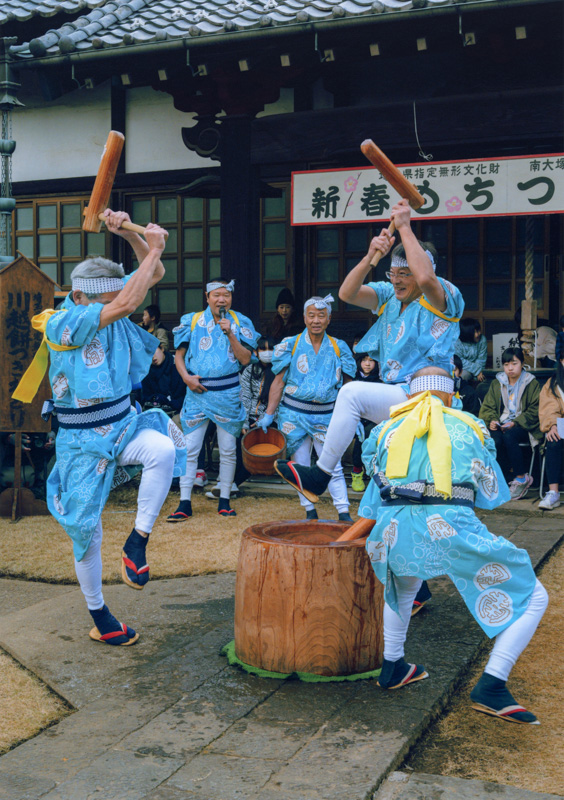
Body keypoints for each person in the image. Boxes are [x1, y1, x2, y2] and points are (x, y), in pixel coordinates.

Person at [12, 210, 187, 646]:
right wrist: (154, 245)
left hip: (123, 422)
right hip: (80, 439)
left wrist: (131, 236)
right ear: (83, 294)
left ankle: (137, 542)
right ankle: (100, 614)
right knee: (86, 531)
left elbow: (152, 274)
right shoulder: (62, 321)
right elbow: (128, 299)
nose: (122, 299)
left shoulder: (108, 306)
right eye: (111, 294)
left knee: (163, 450)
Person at [360, 367, 548, 723]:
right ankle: (492, 685)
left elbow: (372, 492)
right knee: (536, 595)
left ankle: (392, 666)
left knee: (402, 583)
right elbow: (490, 491)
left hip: (391, 527)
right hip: (448, 523)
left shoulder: (385, 429)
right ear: (450, 395)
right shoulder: (468, 425)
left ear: (410, 395)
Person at [274, 198, 464, 503]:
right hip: (397, 393)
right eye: (394, 273)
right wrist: (370, 256)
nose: (398, 280)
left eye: (406, 274)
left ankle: (320, 474)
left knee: (351, 395)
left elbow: (426, 277)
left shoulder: (442, 294)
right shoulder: (389, 294)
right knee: (382, 474)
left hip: (428, 394)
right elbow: (346, 292)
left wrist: (404, 227)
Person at [167, 279, 259, 520]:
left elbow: (246, 359)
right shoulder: (192, 320)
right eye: (216, 295)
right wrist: (186, 378)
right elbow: (179, 355)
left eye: (226, 295)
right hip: (196, 393)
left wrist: (230, 334)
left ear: (231, 298)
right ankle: (184, 502)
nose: (221, 300)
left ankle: (225, 499)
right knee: (190, 449)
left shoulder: (240, 322)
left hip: (228, 394)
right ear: (207, 297)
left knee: (228, 449)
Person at [260, 294, 356, 521]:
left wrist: (353, 415)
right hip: (294, 413)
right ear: (304, 318)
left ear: (329, 319)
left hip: (327, 414)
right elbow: (278, 382)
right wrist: (268, 414)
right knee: (300, 464)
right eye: (311, 315)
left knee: (332, 464)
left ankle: (343, 512)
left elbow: (349, 386)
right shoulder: (290, 344)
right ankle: (310, 511)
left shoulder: (339, 347)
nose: (316, 320)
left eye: (321, 316)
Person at [206, 336, 277, 499]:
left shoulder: (280, 371)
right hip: (248, 419)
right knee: (236, 444)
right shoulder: (250, 371)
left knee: (252, 453)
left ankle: (230, 484)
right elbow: (244, 397)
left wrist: (263, 421)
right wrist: (245, 422)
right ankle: (228, 484)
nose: (267, 353)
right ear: (256, 352)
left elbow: (279, 401)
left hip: (269, 421)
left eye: (270, 349)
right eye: (263, 349)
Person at [479, 347, 541, 500]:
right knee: (495, 440)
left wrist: (515, 422)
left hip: (523, 426)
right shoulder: (497, 383)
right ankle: (504, 480)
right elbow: (487, 406)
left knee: (510, 436)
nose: (510, 368)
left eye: (514, 363)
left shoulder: (531, 383)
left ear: (522, 364)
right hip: (502, 423)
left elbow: (536, 410)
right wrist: (492, 420)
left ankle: (521, 478)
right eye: (506, 364)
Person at [351, 354, 380, 493]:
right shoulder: (351, 379)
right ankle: (356, 472)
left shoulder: (380, 382)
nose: (367, 364)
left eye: (371, 360)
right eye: (364, 360)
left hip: (371, 419)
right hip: (352, 417)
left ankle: (363, 471)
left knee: (366, 436)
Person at [538, 357, 564, 510]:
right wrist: (552, 425)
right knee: (553, 440)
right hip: (562, 425)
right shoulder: (553, 384)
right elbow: (549, 408)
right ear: (561, 360)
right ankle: (553, 492)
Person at [454, 317, 487, 383]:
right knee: (464, 376)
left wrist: (479, 372)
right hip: (462, 368)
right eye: (475, 332)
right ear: (467, 333)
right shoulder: (457, 342)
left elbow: (481, 358)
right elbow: (460, 360)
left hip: (479, 368)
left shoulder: (482, 339)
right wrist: (476, 370)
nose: (479, 334)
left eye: (478, 330)